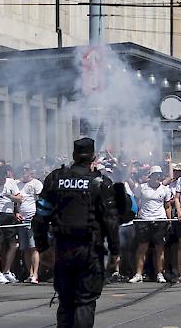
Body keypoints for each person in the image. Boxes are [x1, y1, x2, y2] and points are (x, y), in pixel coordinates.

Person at [33, 138, 120, 328]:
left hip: (62, 248)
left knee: (66, 301)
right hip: (89, 250)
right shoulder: (100, 182)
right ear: (93, 158)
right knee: (85, 301)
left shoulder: (55, 179)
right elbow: (111, 221)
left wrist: (42, 248)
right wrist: (115, 252)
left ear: (73, 156)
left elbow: (40, 217)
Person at [129, 165, 172, 284]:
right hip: (144, 220)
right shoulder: (142, 188)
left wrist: (169, 221)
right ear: (151, 176)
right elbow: (136, 200)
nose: (158, 177)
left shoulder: (165, 189)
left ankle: (159, 273)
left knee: (160, 249)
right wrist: (138, 213)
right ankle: (138, 274)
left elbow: (168, 206)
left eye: (159, 175)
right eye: (155, 174)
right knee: (142, 248)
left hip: (160, 220)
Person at [14, 164, 44, 284]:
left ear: (31, 171)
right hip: (21, 220)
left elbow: (40, 200)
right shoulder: (17, 184)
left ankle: (35, 274)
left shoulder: (36, 184)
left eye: (26, 170)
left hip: (32, 219)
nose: (24, 172)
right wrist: (16, 213)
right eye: (22, 170)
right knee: (25, 248)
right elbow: (15, 203)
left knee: (33, 247)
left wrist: (37, 216)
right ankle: (30, 273)